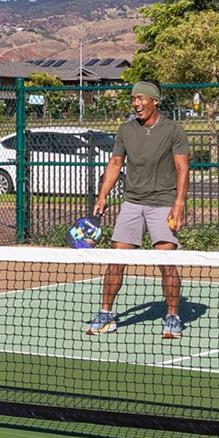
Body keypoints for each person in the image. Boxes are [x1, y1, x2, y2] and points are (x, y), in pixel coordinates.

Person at [84, 80, 190, 339]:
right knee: (116, 262)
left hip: (163, 202)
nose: (136, 103)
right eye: (133, 99)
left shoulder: (174, 130)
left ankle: (173, 317)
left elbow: (182, 169)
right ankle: (106, 314)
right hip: (132, 203)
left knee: (166, 264)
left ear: (155, 101)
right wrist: (102, 196)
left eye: (141, 98)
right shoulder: (126, 130)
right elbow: (115, 163)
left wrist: (179, 204)